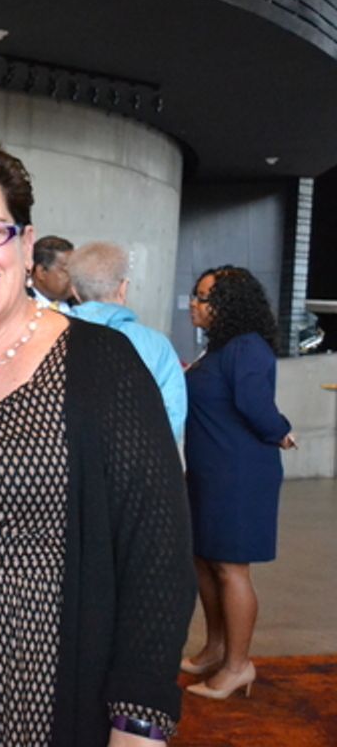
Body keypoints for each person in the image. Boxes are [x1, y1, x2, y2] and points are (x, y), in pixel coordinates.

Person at [0, 133, 195, 746]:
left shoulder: (102, 364)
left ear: (25, 243)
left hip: (47, 706)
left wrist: (138, 722)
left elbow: (157, 552)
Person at [181, 266, 295, 700]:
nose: (194, 304)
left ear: (230, 304)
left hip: (239, 475)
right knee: (205, 561)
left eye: (204, 297)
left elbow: (253, 403)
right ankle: (215, 648)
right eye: (195, 295)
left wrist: (281, 430)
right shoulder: (220, 348)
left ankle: (237, 666)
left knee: (230, 568)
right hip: (210, 471)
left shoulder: (247, 346)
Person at [67, 241, 187, 441]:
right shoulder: (157, 345)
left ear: (75, 291)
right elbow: (171, 418)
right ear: (123, 288)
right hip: (140, 454)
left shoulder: (50, 339)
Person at [31, 235, 76, 309]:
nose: (74, 276)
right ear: (41, 272)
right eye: (67, 270)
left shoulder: (83, 305)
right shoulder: (19, 305)